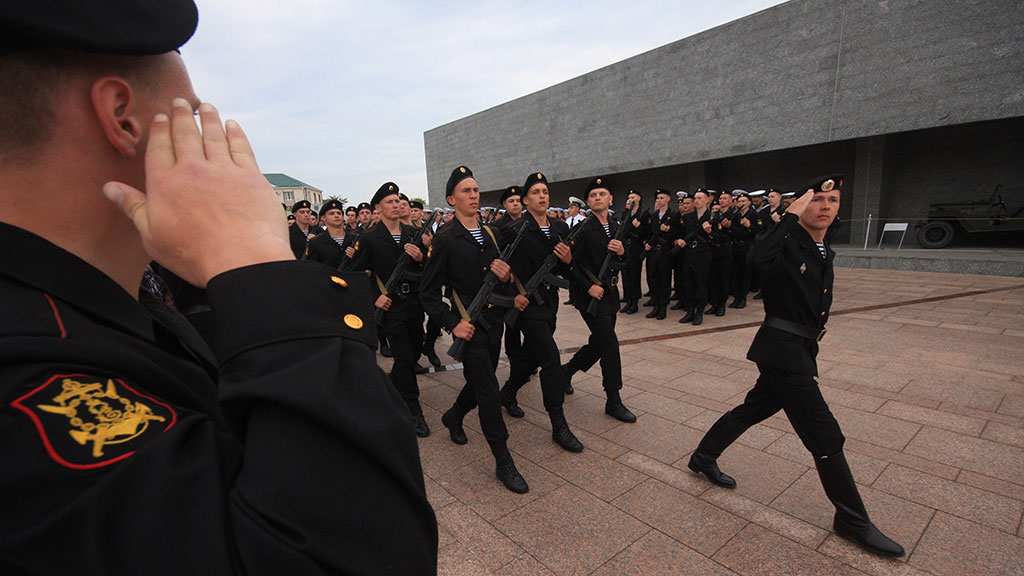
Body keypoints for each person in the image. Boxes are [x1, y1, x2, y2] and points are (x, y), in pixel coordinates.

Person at [0, 2, 437, 573]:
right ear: (123, 117)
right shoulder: (31, 390)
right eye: (192, 106)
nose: (209, 119)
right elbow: (363, 551)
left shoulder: (98, 298)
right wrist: (254, 258)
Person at [686, 176, 904, 558]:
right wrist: (788, 215)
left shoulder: (822, 248)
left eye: (832, 200)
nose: (824, 205)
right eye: (816, 199)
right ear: (800, 206)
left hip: (798, 348)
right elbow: (757, 260)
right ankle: (852, 520)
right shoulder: (785, 242)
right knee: (825, 434)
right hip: (783, 351)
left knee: (755, 408)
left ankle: (703, 456)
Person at [421, 166, 529, 494]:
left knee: (480, 380)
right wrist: (453, 324)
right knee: (488, 390)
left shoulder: (492, 234)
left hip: (494, 323)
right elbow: (428, 293)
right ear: (451, 200)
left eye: (476, 190)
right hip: (468, 327)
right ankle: (503, 460)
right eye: (466, 191)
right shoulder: (445, 240)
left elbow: (501, 279)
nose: (474, 195)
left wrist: (508, 276)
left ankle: (454, 415)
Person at [500, 172, 585, 453]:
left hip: (549, 303)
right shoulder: (514, 229)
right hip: (527, 306)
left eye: (545, 192)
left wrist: (568, 261)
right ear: (525, 200)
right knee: (550, 360)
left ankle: (509, 391)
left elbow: (563, 270)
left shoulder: (559, 228)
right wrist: (514, 297)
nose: (542, 196)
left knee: (533, 356)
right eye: (535, 192)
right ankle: (559, 425)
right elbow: (500, 269)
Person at [349, 183, 430, 436]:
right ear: (378, 208)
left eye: (398, 200)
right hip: (391, 306)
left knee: (416, 350)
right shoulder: (369, 238)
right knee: (404, 357)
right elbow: (354, 275)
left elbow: (429, 270)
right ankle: (414, 409)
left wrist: (421, 257)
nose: (396, 205)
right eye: (389, 202)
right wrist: (375, 297)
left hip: (414, 303)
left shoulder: (412, 234)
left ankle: (387, 389)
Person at [562, 177, 637, 423]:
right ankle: (613, 399)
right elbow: (570, 267)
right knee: (609, 345)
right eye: (593, 195)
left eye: (602, 194)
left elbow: (626, 263)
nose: (597, 198)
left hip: (611, 295)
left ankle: (567, 372)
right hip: (591, 297)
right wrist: (588, 287)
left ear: (610, 199)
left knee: (599, 342)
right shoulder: (582, 229)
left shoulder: (616, 226)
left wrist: (623, 252)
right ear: (588, 202)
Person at [677, 188, 714, 325]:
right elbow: (682, 233)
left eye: (699, 198)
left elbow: (718, 238)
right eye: (696, 198)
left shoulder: (712, 217)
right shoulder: (688, 217)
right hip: (688, 255)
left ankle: (699, 311)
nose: (696, 201)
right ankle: (690, 311)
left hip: (702, 255)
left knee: (700, 285)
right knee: (689, 284)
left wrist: (710, 232)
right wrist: (680, 240)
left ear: (707, 200)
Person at [642, 189, 676, 320]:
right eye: (657, 198)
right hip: (652, 253)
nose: (659, 200)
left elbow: (678, 233)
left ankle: (663, 307)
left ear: (668, 199)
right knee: (653, 279)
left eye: (662, 198)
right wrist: (646, 242)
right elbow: (648, 233)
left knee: (664, 280)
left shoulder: (673, 215)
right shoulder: (653, 216)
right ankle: (655, 306)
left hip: (665, 253)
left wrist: (670, 230)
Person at [305, 198, 353, 269]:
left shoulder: (355, 238)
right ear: (323, 218)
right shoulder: (316, 242)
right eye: (331, 213)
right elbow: (312, 268)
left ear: (343, 217)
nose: (336, 216)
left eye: (339, 213)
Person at [619, 190, 645, 314]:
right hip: (626, 248)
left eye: (632, 197)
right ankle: (628, 299)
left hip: (636, 249)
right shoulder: (626, 213)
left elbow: (647, 233)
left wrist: (639, 227)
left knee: (634, 276)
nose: (630, 199)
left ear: (639, 199)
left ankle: (634, 302)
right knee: (626, 275)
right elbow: (622, 230)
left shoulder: (643, 214)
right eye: (628, 197)